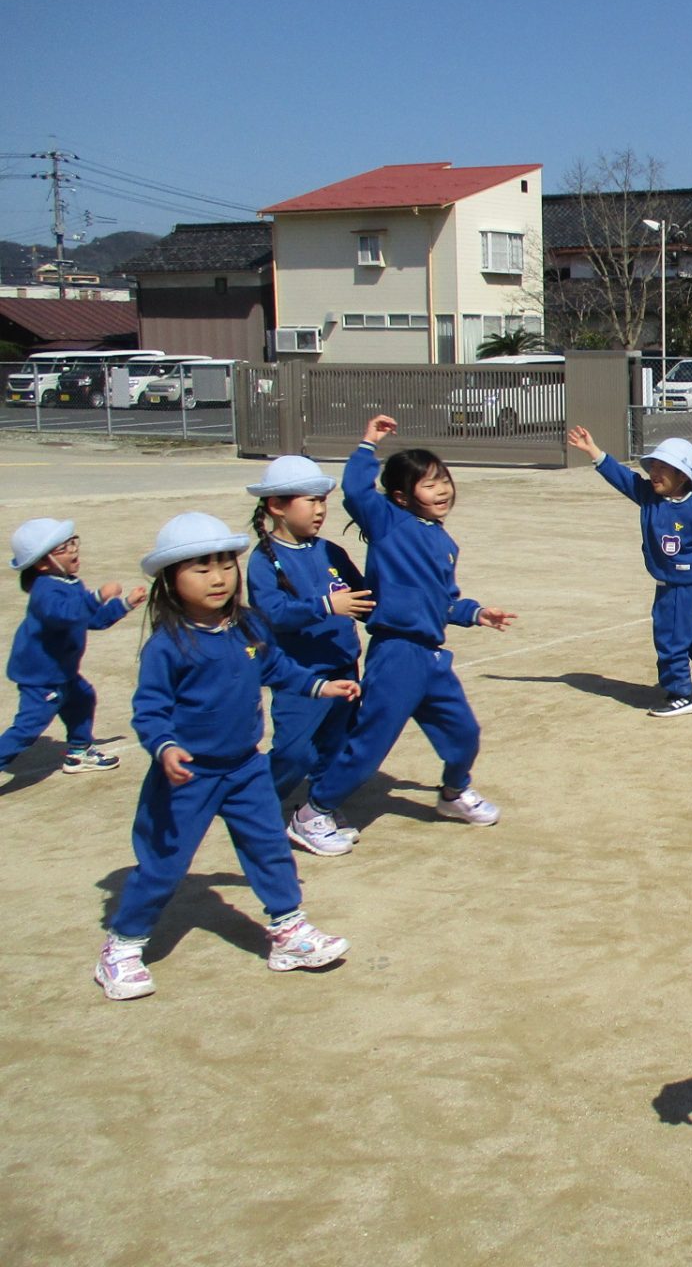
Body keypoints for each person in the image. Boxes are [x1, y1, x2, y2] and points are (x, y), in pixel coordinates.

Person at [95, 513, 358, 1000]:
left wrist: (320, 686)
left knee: (269, 848)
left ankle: (288, 931)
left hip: (246, 768)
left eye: (224, 565)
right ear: (171, 580)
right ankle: (123, 945)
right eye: (201, 568)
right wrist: (165, 747)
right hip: (187, 776)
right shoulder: (167, 646)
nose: (218, 578)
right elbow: (149, 711)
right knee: (164, 864)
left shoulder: (248, 626)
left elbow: (278, 668)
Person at [288, 417, 515, 856]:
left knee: (464, 733)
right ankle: (312, 813)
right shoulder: (389, 522)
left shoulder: (444, 542)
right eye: (429, 485)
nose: (442, 490)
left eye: (443, 480)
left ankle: (453, 792)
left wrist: (476, 613)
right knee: (371, 743)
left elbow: (445, 601)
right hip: (396, 653)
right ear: (400, 496)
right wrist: (367, 443)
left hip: (431, 657)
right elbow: (356, 491)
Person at [568, 426, 692, 718]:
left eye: (664, 468)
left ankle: (680, 694)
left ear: (683, 476)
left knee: (670, 637)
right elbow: (623, 478)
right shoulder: (649, 496)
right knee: (689, 636)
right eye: (654, 467)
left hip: (684, 583)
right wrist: (594, 452)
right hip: (668, 581)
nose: (655, 473)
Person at [246, 455, 374, 807]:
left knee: (336, 745)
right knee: (294, 753)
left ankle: (318, 812)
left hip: (344, 669)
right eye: (311, 501)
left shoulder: (332, 551)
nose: (320, 510)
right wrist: (325, 606)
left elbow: (365, 600)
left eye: (323, 501)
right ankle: (258, 804)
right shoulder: (264, 559)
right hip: (300, 676)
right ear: (277, 506)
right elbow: (273, 613)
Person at [2, 518, 143, 780]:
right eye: (63, 548)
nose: (73, 550)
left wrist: (124, 604)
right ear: (43, 563)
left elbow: (91, 619)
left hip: (62, 670)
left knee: (82, 699)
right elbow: (65, 614)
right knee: (28, 727)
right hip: (41, 675)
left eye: (72, 543)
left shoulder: (71, 583)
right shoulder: (44, 590)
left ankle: (79, 752)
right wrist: (98, 597)